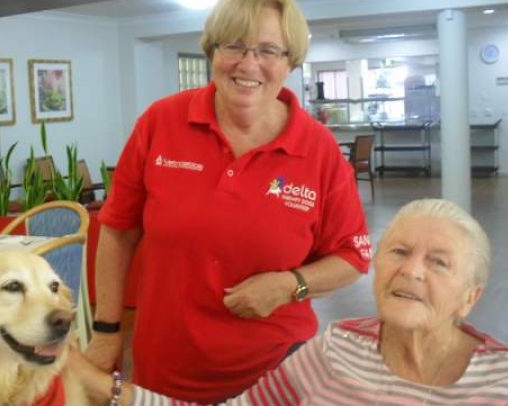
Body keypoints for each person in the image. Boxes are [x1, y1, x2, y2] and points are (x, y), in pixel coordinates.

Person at [86, 0, 371, 402]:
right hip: (167, 370)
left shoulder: (318, 149)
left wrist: (292, 285)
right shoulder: (160, 122)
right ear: (212, 52)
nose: (248, 64)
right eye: (233, 46)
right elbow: (117, 232)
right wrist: (106, 332)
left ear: (290, 61)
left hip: (280, 372)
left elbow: (353, 256)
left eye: (268, 50)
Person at [71, 198, 508, 405]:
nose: (411, 271)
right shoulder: (336, 347)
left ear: (470, 298)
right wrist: (102, 387)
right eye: (400, 252)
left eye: (439, 263)